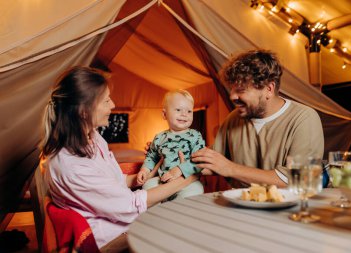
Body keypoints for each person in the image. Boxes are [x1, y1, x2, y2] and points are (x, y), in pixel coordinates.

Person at [40, 66, 198, 252]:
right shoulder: (70, 166)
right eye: (106, 100)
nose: (113, 105)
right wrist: (188, 177)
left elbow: (113, 181)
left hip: (125, 222)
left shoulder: (93, 138)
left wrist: (149, 170)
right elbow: (130, 206)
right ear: (84, 111)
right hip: (115, 240)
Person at [191, 49, 324, 188]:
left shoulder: (304, 118)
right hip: (239, 206)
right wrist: (180, 164)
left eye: (241, 90)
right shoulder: (233, 119)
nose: (232, 97)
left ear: (269, 89)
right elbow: (213, 163)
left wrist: (230, 168)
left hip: (288, 208)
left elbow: (300, 180)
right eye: (231, 89)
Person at [137, 90, 205, 199]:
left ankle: (180, 212)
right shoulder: (159, 137)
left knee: (196, 189)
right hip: (161, 179)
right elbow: (151, 156)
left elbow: (200, 159)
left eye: (189, 111)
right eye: (178, 110)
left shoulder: (195, 136)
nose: (184, 114)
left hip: (186, 180)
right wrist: (144, 170)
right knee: (147, 187)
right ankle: (157, 213)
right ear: (164, 114)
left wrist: (180, 169)